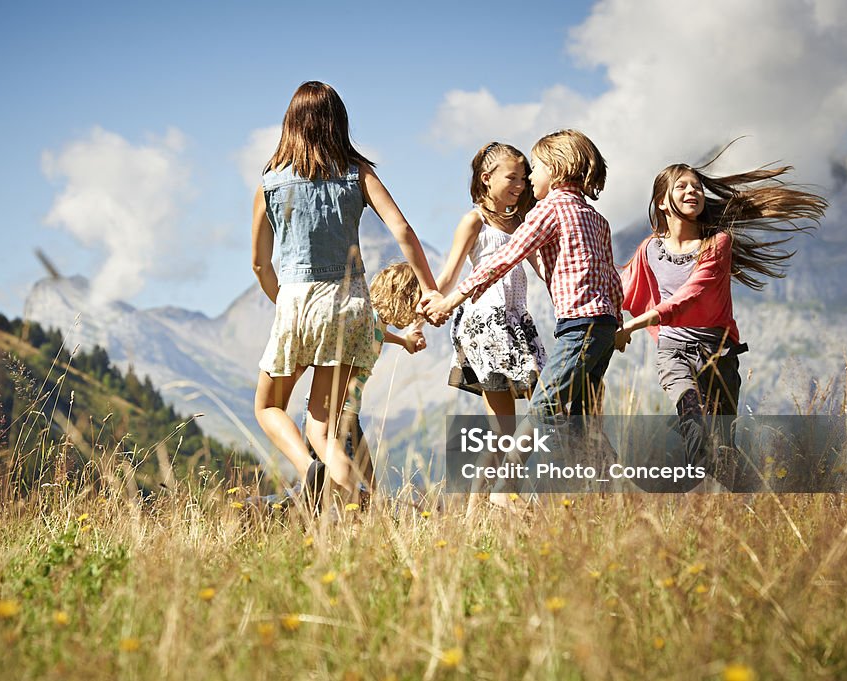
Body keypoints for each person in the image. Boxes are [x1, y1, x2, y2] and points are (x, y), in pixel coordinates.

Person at [251, 81, 437, 507]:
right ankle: (354, 510)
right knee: (326, 429)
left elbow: (261, 264)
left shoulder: (270, 183)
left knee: (267, 408)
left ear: (290, 125)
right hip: (350, 304)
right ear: (339, 123)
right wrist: (430, 288)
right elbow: (403, 230)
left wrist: (285, 304)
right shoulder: (359, 173)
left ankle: (305, 468)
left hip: (296, 302)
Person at [420, 129, 622, 494]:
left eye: (534, 170)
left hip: (550, 324)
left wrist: (450, 301)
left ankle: (513, 492)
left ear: (557, 170)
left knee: (547, 408)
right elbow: (609, 276)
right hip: (510, 324)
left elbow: (520, 263)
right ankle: (594, 485)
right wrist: (616, 322)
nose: (528, 179)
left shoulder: (543, 212)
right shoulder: (593, 218)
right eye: (516, 175)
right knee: (560, 415)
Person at [617, 147, 827, 489]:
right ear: (662, 202)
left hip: (719, 354)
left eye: (697, 187)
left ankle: (751, 502)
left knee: (722, 450)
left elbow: (692, 294)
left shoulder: (717, 243)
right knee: (693, 422)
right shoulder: (649, 249)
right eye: (682, 186)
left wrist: (635, 325)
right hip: (673, 352)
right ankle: (684, 494)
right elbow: (622, 288)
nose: (693, 192)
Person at [434, 142, 547, 510]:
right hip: (487, 324)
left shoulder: (523, 223)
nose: (520, 184)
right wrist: (431, 304)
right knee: (532, 410)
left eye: (524, 178)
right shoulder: (475, 221)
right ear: (487, 178)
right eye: (512, 177)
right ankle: (486, 504)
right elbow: (450, 274)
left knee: (507, 430)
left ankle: (483, 506)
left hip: (517, 321)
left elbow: (543, 272)